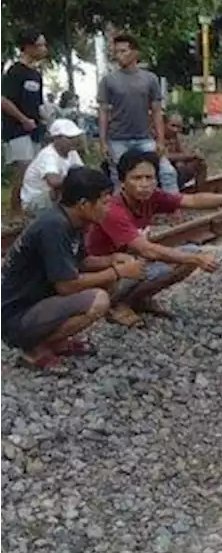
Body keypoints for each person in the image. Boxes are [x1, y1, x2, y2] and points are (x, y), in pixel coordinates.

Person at [85, 150, 222, 326]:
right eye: (136, 178)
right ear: (123, 181)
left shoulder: (152, 197)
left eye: (149, 178)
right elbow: (147, 249)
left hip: (129, 264)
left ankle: (136, 300)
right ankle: (116, 305)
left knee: (188, 255)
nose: (144, 184)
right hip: (102, 273)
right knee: (181, 258)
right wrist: (196, 259)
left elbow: (191, 201)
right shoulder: (113, 210)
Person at [0, 167, 133, 369]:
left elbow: (80, 262)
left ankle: (56, 342)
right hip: (15, 315)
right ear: (83, 204)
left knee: (107, 281)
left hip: (36, 303)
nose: (108, 209)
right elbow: (66, 285)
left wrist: (112, 260)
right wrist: (116, 272)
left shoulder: (72, 221)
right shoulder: (54, 227)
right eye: (104, 203)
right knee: (99, 299)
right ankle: (35, 350)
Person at [97, 33, 178, 193]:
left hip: (144, 138)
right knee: (120, 179)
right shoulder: (108, 80)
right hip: (117, 139)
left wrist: (160, 140)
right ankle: (122, 214)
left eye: (123, 51)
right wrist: (103, 141)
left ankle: (174, 209)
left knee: (166, 172)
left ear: (135, 53)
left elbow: (156, 111)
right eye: (117, 52)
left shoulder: (150, 79)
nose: (119, 56)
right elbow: (103, 112)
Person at [1, 28, 48, 214]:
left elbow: (38, 103)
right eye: (41, 45)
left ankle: (30, 208)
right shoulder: (15, 71)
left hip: (35, 130)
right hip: (17, 130)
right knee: (23, 169)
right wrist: (23, 119)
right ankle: (15, 210)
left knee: (34, 171)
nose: (45, 49)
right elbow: (3, 100)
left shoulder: (36, 74)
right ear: (29, 47)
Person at [20, 118, 86, 214]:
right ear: (56, 138)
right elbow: (53, 181)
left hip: (48, 199)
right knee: (59, 189)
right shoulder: (48, 155)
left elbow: (82, 171)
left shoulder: (71, 152)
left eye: (74, 137)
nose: (74, 141)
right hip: (35, 201)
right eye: (69, 138)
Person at [163, 114, 207, 190]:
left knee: (200, 163)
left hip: (177, 169)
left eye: (179, 127)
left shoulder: (177, 137)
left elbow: (185, 152)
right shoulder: (158, 137)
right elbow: (164, 156)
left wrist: (194, 155)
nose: (175, 130)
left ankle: (199, 192)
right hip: (163, 171)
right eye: (173, 126)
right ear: (164, 125)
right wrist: (187, 156)